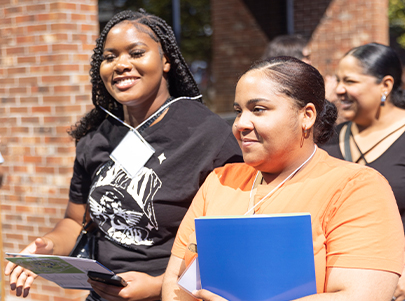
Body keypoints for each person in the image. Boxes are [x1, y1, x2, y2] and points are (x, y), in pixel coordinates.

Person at [5, 9, 242, 301]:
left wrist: (157, 285)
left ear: (166, 60)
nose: (121, 64)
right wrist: (49, 247)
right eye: (110, 57)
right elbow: (75, 220)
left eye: (136, 52)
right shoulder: (96, 138)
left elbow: (232, 242)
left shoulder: (209, 135)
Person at [162, 56, 405, 300]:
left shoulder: (357, 189)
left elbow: (359, 296)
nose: (240, 124)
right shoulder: (219, 182)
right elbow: (175, 284)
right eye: (238, 111)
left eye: (258, 109)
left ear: (307, 115)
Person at [320, 43, 405, 301]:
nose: (339, 90)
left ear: (385, 85)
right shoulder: (329, 142)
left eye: (350, 81)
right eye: (338, 80)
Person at [262, 34, 341, 124]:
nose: (310, 62)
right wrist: (327, 100)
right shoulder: (275, 92)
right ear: (292, 60)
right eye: (306, 57)